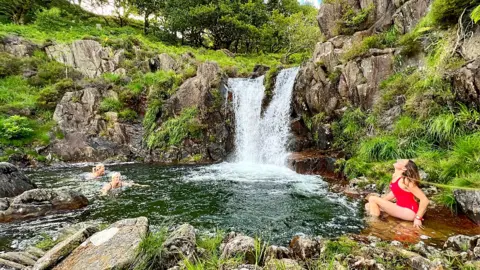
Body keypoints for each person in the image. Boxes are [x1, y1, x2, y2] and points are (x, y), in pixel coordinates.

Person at [365, 159, 429, 229]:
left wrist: (418, 218)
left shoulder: (406, 180)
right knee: (368, 206)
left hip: (409, 211)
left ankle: (375, 223)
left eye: (402, 161)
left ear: (404, 168)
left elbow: (425, 200)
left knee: (372, 199)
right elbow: (395, 192)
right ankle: (381, 219)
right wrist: (381, 201)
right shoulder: (396, 177)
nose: (399, 160)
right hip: (401, 207)